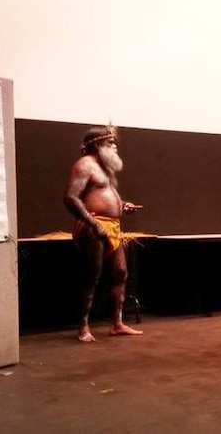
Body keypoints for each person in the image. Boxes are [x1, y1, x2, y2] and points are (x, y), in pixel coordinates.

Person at [63, 125, 144, 343]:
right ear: (97, 145)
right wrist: (92, 222)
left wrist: (122, 205)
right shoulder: (85, 165)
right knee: (92, 276)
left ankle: (117, 324)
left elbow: (102, 195)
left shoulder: (104, 169)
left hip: (112, 226)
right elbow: (71, 198)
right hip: (94, 225)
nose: (114, 146)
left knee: (120, 272)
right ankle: (83, 327)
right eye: (110, 143)